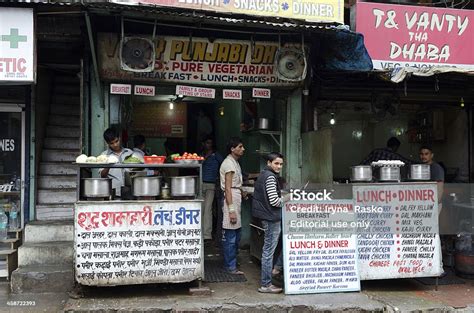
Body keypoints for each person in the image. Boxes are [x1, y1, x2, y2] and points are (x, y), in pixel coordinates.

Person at [252, 152, 289, 294]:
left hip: (266, 217)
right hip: (271, 218)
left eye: (281, 164)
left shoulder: (263, 175)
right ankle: (266, 284)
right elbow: (274, 201)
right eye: (276, 163)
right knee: (268, 252)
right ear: (269, 163)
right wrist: (288, 198)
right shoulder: (270, 178)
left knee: (269, 249)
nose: (279, 166)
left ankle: (276, 269)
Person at [219, 137, 245, 275]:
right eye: (240, 147)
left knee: (236, 233)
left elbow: (235, 185)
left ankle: (231, 262)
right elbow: (228, 188)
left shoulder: (234, 162)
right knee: (230, 235)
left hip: (235, 196)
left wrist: (242, 191)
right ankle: (230, 266)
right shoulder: (228, 164)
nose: (243, 149)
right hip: (231, 198)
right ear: (232, 149)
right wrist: (231, 210)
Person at [200, 136, 223, 243]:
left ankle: (206, 235)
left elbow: (224, 165)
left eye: (210, 143)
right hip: (200, 184)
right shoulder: (201, 155)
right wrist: (205, 158)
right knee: (201, 209)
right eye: (207, 142)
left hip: (211, 185)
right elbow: (197, 165)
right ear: (203, 144)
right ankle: (198, 232)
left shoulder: (216, 155)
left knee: (208, 209)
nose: (209, 145)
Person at [99, 127, 133, 198]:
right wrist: (108, 165)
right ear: (107, 143)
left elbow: (137, 171)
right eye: (111, 143)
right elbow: (102, 175)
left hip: (130, 192)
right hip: (114, 193)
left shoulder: (129, 153)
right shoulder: (104, 156)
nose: (115, 145)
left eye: (116, 141)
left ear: (119, 138)